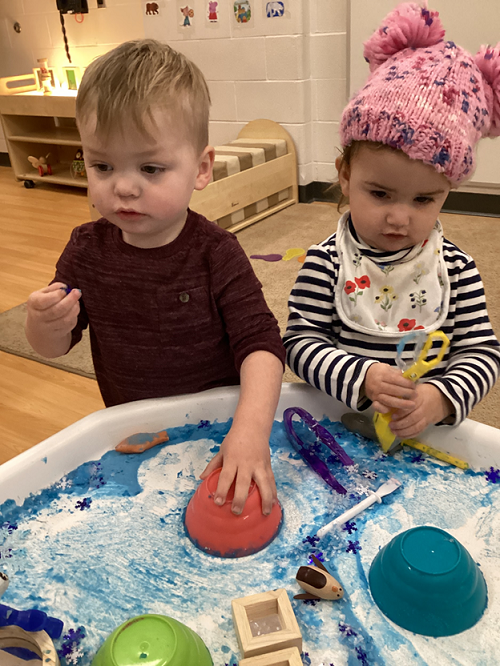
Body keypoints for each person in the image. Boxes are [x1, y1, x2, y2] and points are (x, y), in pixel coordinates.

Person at [25, 39, 285, 516]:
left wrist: (250, 432)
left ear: (201, 169)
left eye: (150, 167)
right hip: (135, 427)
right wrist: (44, 324)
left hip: (220, 428)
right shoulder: (85, 249)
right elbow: (55, 347)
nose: (123, 185)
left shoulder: (217, 253)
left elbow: (263, 346)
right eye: (103, 165)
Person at [284, 3, 500, 438]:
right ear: (345, 176)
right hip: (337, 423)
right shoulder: (327, 262)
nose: (399, 217)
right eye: (379, 193)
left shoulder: (455, 268)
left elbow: (482, 353)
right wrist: (360, 376)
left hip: (419, 433)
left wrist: (440, 397)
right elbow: (298, 344)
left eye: (424, 199)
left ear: (448, 192)